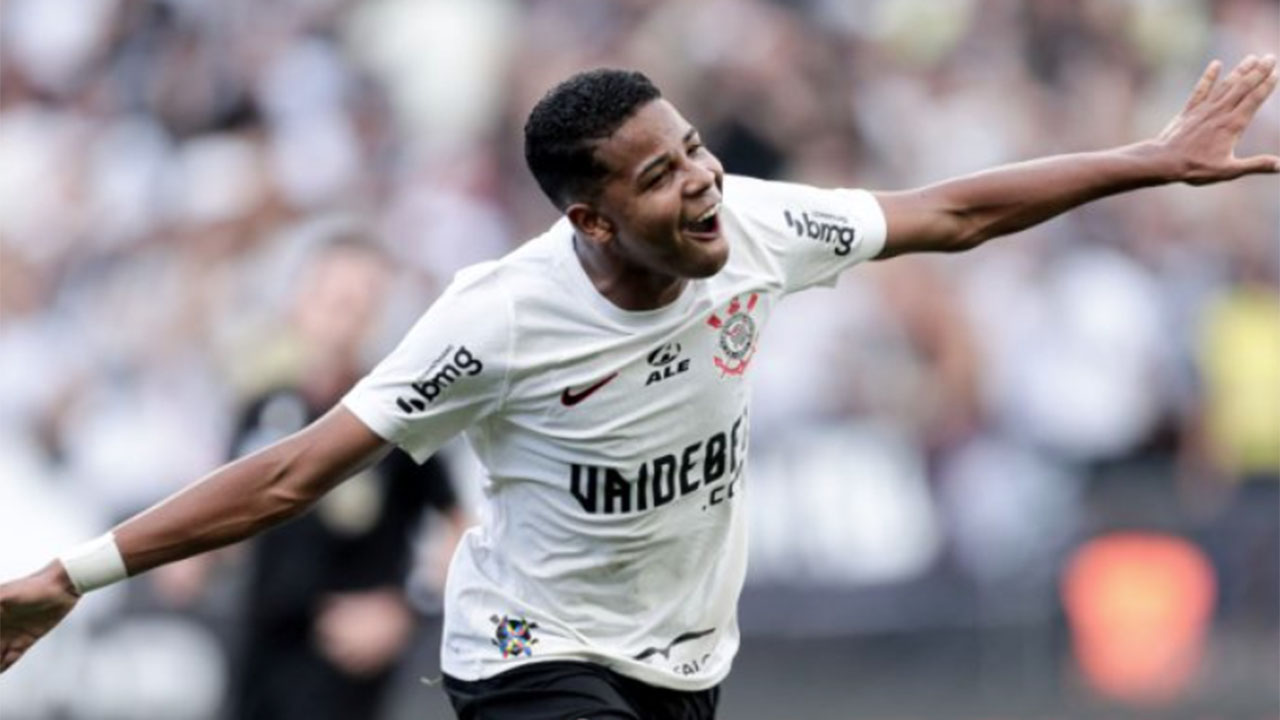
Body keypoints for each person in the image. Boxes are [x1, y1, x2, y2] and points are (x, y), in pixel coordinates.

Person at [2, 55, 1277, 720]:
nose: (702, 180)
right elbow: (292, 472)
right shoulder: (497, 320)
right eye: (659, 175)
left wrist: (1150, 160)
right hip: (531, 655)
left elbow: (949, 214)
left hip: (682, 661)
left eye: (694, 148)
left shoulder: (759, 226)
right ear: (591, 218)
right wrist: (72, 576)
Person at [224, 237, 467, 720]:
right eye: (331, 298)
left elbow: (460, 529)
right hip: (259, 649)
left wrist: (407, 609)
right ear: (298, 301)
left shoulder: (397, 419)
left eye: (358, 303)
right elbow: (232, 521)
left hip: (341, 663)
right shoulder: (266, 409)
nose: (342, 318)